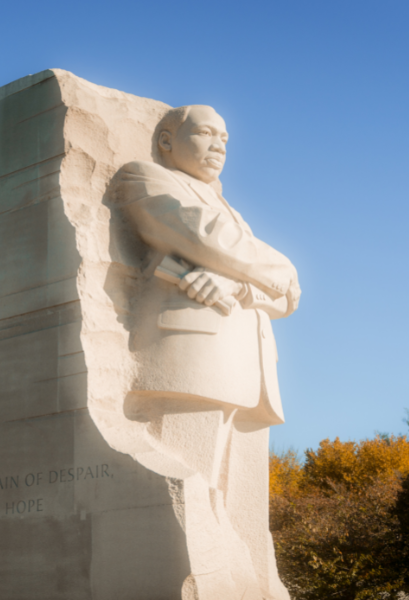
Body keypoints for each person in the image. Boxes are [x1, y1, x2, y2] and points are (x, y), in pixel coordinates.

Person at [112, 105, 301, 600]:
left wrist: (238, 286)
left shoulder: (231, 211)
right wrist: (272, 267)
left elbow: (288, 292)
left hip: (249, 370)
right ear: (168, 139)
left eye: (226, 138)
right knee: (191, 505)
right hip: (189, 359)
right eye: (206, 134)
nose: (220, 146)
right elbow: (202, 236)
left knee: (240, 517)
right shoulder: (146, 177)